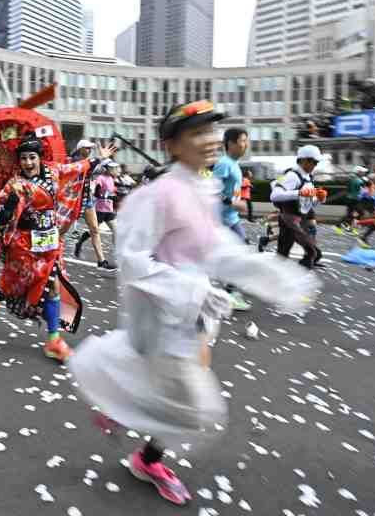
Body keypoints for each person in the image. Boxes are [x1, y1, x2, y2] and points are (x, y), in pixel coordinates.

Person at [69, 100, 318, 506]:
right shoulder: (158, 196)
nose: (210, 140)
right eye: (197, 133)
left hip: (193, 315)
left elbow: (213, 248)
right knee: (197, 410)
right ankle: (141, 448)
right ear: (172, 145)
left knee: (179, 395)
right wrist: (192, 291)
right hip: (163, 316)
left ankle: (141, 444)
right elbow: (133, 262)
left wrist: (273, 276)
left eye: (212, 131)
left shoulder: (201, 188)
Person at [0, 133, 117, 363]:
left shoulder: (54, 171)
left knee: (53, 284)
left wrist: (100, 159)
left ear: (40, 157)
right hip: (23, 245)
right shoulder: (16, 185)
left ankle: (54, 340)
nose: (28, 163)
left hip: (50, 241)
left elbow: (77, 169)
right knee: (20, 284)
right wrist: (7, 211)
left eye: (32, 157)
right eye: (23, 158)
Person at [213, 128, 253, 311]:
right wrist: (231, 202)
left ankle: (229, 292)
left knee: (239, 253)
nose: (245, 145)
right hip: (221, 220)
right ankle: (227, 294)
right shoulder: (224, 163)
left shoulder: (235, 164)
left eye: (246, 141)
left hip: (232, 218)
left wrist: (237, 202)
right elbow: (212, 190)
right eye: (242, 141)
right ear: (230, 143)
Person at [270, 145, 328, 269]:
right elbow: (274, 195)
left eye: (316, 162)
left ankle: (278, 276)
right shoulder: (292, 176)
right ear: (303, 160)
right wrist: (300, 193)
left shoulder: (309, 178)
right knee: (310, 251)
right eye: (313, 162)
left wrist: (319, 199)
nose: (315, 165)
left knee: (283, 254)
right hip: (289, 218)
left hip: (299, 219)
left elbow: (309, 203)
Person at [72, 140, 116, 271]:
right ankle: (52, 255)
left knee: (95, 230)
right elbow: (87, 167)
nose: (90, 150)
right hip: (73, 200)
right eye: (87, 148)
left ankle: (101, 261)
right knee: (61, 231)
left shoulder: (90, 162)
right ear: (80, 149)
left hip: (87, 199)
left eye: (91, 148)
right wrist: (101, 157)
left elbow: (93, 170)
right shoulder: (74, 161)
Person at [336, 166, 367, 233]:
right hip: (355, 199)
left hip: (350, 198)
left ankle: (344, 225)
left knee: (351, 213)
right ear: (358, 172)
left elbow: (349, 189)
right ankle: (345, 225)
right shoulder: (359, 180)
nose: (364, 173)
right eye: (362, 172)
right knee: (359, 213)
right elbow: (362, 190)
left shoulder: (352, 179)